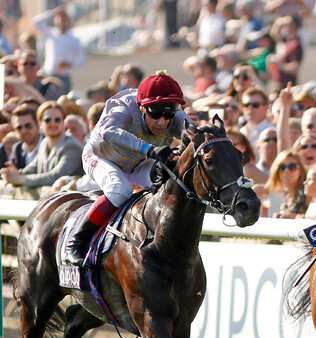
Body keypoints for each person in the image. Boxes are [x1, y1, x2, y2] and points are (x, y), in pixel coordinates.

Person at [63, 71, 189, 266]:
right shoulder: (124, 108)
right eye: (155, 113)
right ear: (141, 107)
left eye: (168, 114)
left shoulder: (176, 115)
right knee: (120, 189)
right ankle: (76, 242)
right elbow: (107, 130)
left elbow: (197, 136)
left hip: (138, 163)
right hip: (101, 157)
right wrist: (149, 149)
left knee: (170, 186)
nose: (162, 122)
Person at [0, 101, 83, 198]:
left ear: (63, 122)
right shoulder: (44, 143)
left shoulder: (72, 145)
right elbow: (33, 168)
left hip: (70, 206)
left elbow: (55, 176)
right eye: (48, 120)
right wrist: (15, 174)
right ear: (40, 123)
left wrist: (20, 179)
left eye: (57, 120)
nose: (53, 124)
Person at [31, 5, 86, 94]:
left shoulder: (73, 39)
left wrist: (70, 63)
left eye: (65, 19)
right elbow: (36, 22)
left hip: (64, 77)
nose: (62, 21)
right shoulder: (50, 34)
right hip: (48, 75)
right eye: (60, 18)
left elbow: (82, 58)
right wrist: (52, 12)